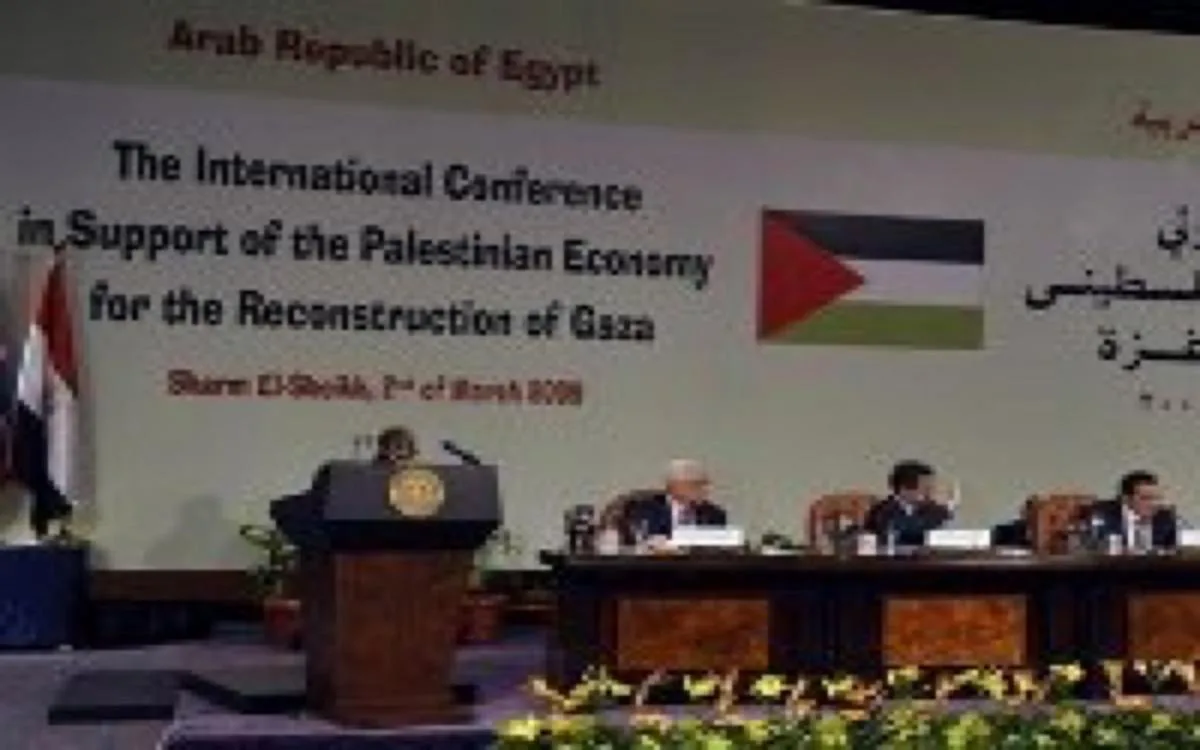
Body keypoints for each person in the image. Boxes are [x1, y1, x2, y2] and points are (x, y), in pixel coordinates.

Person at [627, 459, 728, 543]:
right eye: (698, 484)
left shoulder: (715, 514)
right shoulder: (645, 509)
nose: (706, 490)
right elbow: (639, 541)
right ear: (676, 486)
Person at [864, 460, 954, 547]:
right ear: (904, 489)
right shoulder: (881, 511)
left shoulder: (937, 511)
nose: (929, 493)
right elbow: (881, 537)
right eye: (925, 488)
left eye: (931, 487)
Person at [1088, 470, 1177, 550]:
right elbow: (1091, 548)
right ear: (1126, 499)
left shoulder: (1165, 517)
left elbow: (1173, 552)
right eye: (1146, 498)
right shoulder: (1102, 514)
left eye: (1157, 498)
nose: (1153, 504)